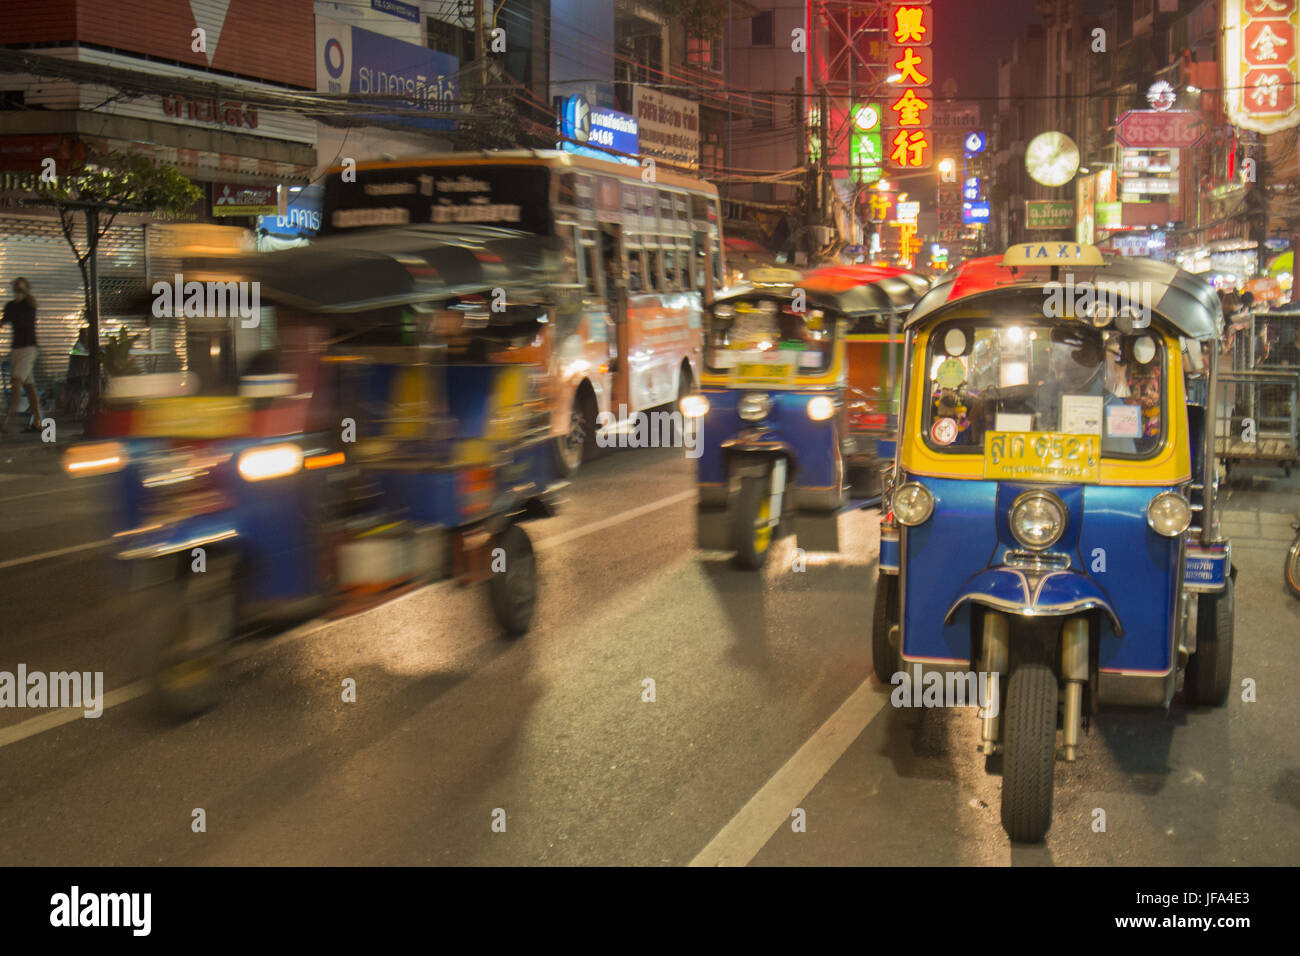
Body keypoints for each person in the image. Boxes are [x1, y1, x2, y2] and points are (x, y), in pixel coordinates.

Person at [2, 277, 44, 433]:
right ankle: (38, 421)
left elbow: (34, 303)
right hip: (16, 350)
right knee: (29, 386)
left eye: (20, 287)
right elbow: (3, 322)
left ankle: (8, 420)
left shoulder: (29, 304)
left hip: (28, 348)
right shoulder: (10, 306)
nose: (17, 291)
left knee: (16, 381)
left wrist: (25, 290)